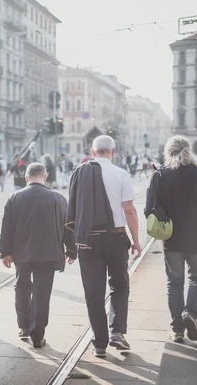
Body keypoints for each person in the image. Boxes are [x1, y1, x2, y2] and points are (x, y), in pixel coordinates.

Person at [66, 135, 141, 358]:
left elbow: (73, 211)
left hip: (88, 241)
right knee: (119, 285)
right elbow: (129, 210)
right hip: (115, 238)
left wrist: (71, 245)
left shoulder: (80, 172)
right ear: (113, 151)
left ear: (93, 151)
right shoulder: (120, 174)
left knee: (93, 292)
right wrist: (136, 240)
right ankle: (117, 331)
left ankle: (99, 343)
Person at [145, 136, 197, 343]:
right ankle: (191, 314)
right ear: (189, 151)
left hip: (172, 240)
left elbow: (148, 209)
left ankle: (177, 329)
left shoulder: (160, 176)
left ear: (168, 153)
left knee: (175, 283)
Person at [0, 163, 76, 347]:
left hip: (21, 253)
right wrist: (72, 249)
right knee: (42, 292)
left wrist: (5, 251)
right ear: (45, 176)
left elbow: (6, 228)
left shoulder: (14, 197)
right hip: (48, 253)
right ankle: (37, 333)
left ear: (26, 178)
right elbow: (67, 227)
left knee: (22, 286)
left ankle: (24, 326)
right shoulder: (58, 199)